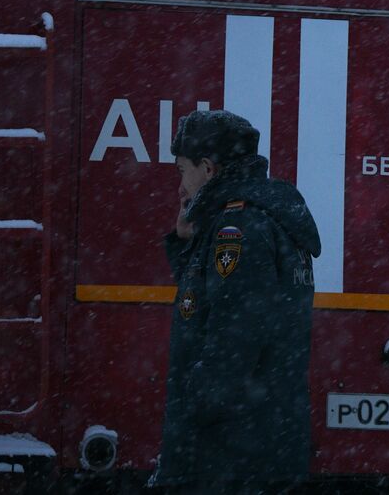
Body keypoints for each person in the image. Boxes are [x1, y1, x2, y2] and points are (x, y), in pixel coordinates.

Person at [149, 109, 321, 493]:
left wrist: (193, 407)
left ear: (208, 169)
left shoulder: (237, 229)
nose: (179, 186)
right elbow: (211, 303)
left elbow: (234, 336)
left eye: (182, 171)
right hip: (259, 443)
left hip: (229, 455)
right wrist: (185, 243)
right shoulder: (268, 217)